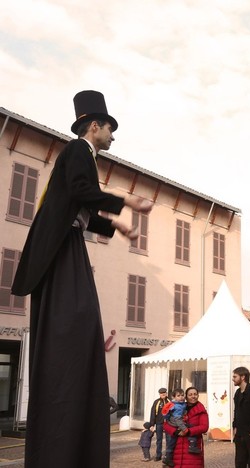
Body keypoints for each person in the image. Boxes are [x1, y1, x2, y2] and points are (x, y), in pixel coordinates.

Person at [11, 90, 154, 468]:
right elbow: (81, 193)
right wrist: (126, 201)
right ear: (95, 126)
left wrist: (117, 228)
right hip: (60, 250)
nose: (113, 136)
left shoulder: (80, 158)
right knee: (79, 323)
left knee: (85, 324)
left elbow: (83, 207)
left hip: (67, 245)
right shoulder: (78, 151)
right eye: (110, 129)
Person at [163, 386, 209, 467]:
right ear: (186, 397)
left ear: (198, 395)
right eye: (190, 394)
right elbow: (166, 424)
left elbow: (204, 427)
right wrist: (176, 431)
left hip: (192, 448)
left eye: (195, 394)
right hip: (177, 447)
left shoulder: (201, 410)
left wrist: (188, 431)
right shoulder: (176, 407)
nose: (193, 396)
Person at [149, 387, 171, 462]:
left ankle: (168, 455)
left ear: (166, 393)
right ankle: (158, 455)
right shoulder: (156, 402)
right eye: (161, 393)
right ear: (159, 394)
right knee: (159, 440)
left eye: (164, 393)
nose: (163, 394)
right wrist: (152, 424)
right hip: (159, 423)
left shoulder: (170, 401)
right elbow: (153, 413)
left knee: (169, 440)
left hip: (168, 423)